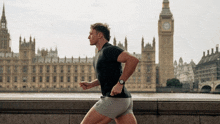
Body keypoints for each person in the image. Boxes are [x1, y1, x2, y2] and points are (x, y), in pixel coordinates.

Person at [79, 23, 139, 124]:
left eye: (91, 34)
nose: (88, 37)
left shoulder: (109, 50)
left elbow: (133, 60)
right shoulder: (99, 54)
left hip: (113, 99)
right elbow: (107, 76)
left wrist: (120, 83)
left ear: (100, 35)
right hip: (124, 100)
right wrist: (91, 84)